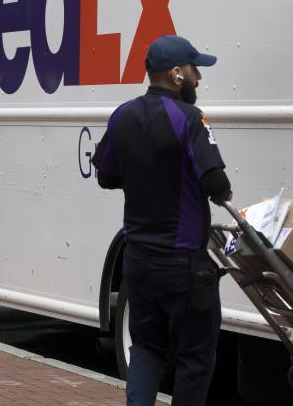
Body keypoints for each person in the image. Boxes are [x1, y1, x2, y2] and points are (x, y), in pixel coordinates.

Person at [92, 35, 233, 406]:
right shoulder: (189, 119)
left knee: (146, 348)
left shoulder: (122, 115)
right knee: (194, 358)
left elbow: (106, 175)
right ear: (176, 74)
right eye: (194, 69)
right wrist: (222, 194)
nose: (199, 78)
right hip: (184, 264)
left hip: (137, 260)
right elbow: (215, 180)